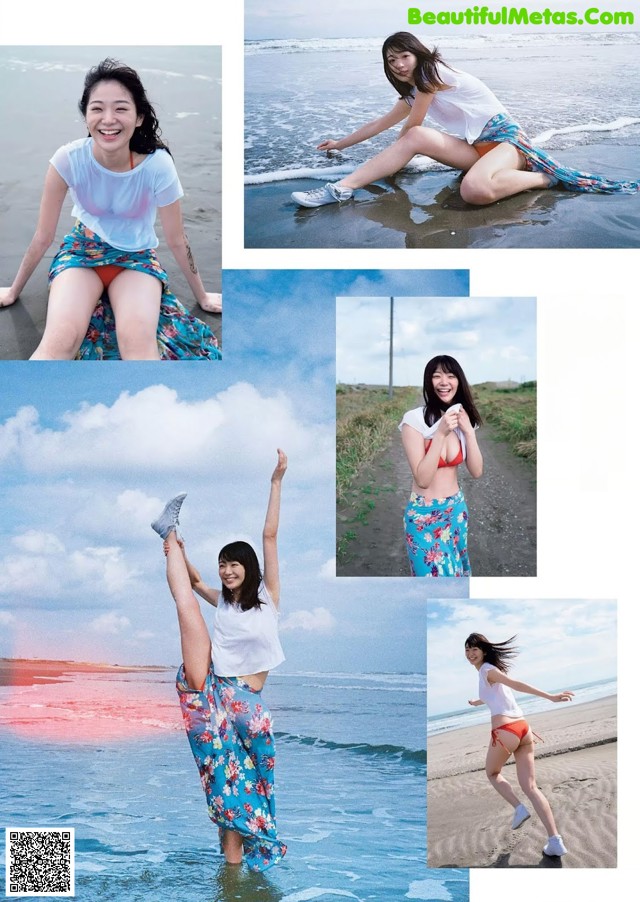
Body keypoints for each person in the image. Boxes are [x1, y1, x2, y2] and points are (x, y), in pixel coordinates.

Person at [0, 58, 222, 360]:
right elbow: (43, 235)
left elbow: (176, 239)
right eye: (97, 108)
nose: (108, 119)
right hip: (81, 254)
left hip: (137, 260)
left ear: (139, 117)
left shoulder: (157, 166)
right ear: (86, 117)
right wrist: (13, 290)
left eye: (120, 108)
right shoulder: (68, 160)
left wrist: (203, 295)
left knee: (136, 342)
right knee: (61, 339)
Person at [291, 31, 640, 208]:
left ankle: (542, 180)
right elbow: (378, 124)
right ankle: (340, 190)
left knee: (472, 190)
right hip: (478, 149)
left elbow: (412, 127)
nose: (398, 64)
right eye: (391, 60)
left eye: (404, 55)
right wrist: (338, 143)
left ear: (418, 53)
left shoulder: (432, 72)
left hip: (507, 143)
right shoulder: (413, 90)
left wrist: (398, 151)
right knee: (412, 139)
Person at [150, 450, 288, 872]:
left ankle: (233, 872)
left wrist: (277, 481)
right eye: (222, 565)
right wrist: (180, 551)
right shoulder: (223, 603)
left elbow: (269, 536)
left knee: (244, 790)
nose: (227, 571)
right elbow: (192, 582)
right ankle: (168, 533)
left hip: (251, 705)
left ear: (248, 568)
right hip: (217, 690)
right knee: (185, 605)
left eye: (233, 565)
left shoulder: (267, 601)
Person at [465, 632, 574, 857]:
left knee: (493, 773)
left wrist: (551, 697)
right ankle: (555, 841)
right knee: (531, 787)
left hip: (505, 731)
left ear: (484, 651)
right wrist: (478, 701)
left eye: (474, 649)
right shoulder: (489, 674)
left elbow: (516, 685)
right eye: (467, 650)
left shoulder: (487, 670)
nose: (470, 654)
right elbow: (495, 695)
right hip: (523, 729)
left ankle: (518, 808)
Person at [398, 355, 483, 577]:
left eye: (450, 376)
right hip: (422, 515)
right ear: (429, 382)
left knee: (456, 573)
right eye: (436, 376)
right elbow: (423, 480)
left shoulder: (462, 418)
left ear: (459, 381)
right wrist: (440, 434)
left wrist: (468, 432)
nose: (443, 382)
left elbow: (476, 471)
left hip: (455, 509)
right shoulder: (414, 421)